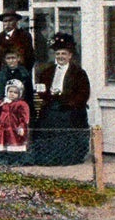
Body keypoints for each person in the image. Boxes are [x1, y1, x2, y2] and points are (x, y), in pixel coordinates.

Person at [32, 32, 90, 166]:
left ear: (70, 56)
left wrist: (67, 101)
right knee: (46, 120)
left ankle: (67, 158)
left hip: (69, 108)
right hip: (51, 106)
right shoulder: (46, 72)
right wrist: (49, 96)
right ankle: (48, 158)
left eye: (63, 54)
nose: (60, 57)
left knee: (65, 122)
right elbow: (41, 90)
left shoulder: (78, 73)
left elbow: (83, 94)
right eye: (58, 54)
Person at [0, 79, 31, 164]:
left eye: (15, 92)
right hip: (2, 128)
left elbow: (24, 117)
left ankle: (16, 161)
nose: (12, 94)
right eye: (10, 91)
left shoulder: (21, 104)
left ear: (19, 93)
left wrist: (21, 126)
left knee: (14, 143)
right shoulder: (1, 103)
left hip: (14, 128)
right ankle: (3, 161)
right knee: (1, 143)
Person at [0, 9, 35, 77]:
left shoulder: (24, 35)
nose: (7, 23)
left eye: (10, 20)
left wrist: (24, 72)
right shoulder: (0, 37)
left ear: (16, 21)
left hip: (20, 74)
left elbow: (30, 57)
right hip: (3, 74)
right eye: (5, 21)